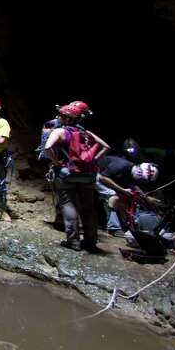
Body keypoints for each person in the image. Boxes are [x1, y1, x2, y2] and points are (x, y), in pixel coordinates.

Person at [44, 101, 110, 252]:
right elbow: (106, 147)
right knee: (88, 207)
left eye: (61, 115)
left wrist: (57, 164)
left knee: (68, 204)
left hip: (67, 174)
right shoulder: (86, 133)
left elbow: (48, 147)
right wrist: (93, 161)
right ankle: (91, 242)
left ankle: (73, 241)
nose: (59, 117)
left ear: (66, 118)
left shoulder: (59, 132)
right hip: (88, 175)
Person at [96, 155, 162, 236]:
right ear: (139, 171)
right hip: (95, 174)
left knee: (124, 197)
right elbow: (102, 177)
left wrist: (147, 198)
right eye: (141, 178)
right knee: (113, 197)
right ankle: (113, 228)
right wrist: (122, 190)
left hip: (104, 177)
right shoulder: (121, 165)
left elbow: (134, 187)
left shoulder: (131, 169)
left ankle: (125, 225)